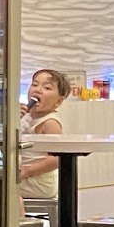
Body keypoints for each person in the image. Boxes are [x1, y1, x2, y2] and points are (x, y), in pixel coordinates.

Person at [18, 67, 71, 202]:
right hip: (21, 175)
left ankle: (18, 219)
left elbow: (56, 159)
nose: (38, 89)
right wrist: (13, 118)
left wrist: (27, 171)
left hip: (38, 181)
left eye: (47, 88)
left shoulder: (50, 123)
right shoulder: (26, 115)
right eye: (34, 84)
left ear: (58, 102)